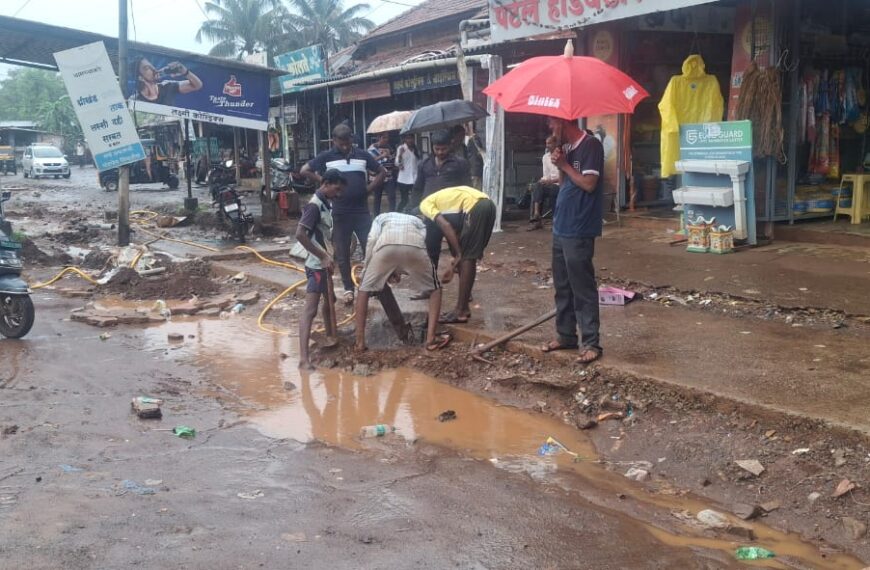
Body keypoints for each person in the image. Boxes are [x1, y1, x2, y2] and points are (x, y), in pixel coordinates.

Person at [540, 117, 605, 364]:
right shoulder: (566, 148)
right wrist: (557, 161)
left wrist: (565, 165)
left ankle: (591, 342)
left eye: (552, 124)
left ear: (563, 123)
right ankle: (566, 334)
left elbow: (589, 184)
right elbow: (566, 182)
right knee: (563, 285)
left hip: (579, 225)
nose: (550, 129)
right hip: (561, 224)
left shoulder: (591, 146)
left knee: (582, 287)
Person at [301, 124, 386, 306]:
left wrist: (368, 189)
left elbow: (382, 172)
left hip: (362, 211)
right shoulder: (327, 157)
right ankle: (348, 288)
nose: (346, 146)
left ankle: (372, 285)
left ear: (351, 139)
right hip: (339, 212)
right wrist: (325, 182)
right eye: (342, 143)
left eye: (348, 142)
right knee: (342, 252)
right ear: (335, 141)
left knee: (370, 249)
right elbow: (304, 170)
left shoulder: (363, 155)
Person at [354, 212, 449, 353]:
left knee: (363, 290)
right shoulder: (418, 221)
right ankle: (431, 340)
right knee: (435, 289)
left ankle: (359, 343)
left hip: (385, 247)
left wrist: (367, 267)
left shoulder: (381, 217)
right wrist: (403, 268)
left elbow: (372, 238)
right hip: (414, 247)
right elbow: (420, 241)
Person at [419, 185, 496, 324]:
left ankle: (461, 310)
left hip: (476, 206)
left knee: (467, 257)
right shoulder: (445, 204)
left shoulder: (424, 205)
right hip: (488, 204)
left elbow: (446, 227)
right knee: (468, 256)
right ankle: (465, 302)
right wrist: (455, 261)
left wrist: (459, 255)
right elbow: (455, 235)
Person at [295, 169, 346, 370]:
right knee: (310, 310)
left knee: (331, 300)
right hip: (317, 266)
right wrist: (323, 256)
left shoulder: (326, 203)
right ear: (326, 184)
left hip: (325, 265)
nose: (338, 193)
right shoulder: (314, 206)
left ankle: (330, 335)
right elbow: (300, 234)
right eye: (336, 188)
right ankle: (303, 359)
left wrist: (330, 256)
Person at [411, 129, 470, 209]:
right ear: (432, 147)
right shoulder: (424, 164)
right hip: (428, 209)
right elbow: (417, 189)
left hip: (451, 209)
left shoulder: (460, 163)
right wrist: (411, 208)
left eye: (443, 149)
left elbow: (467, 189)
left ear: (450, 146)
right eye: (437, 149)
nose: (440, 152)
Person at [133, 57, 202, 106]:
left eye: (151, 66)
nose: (153, 69)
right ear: (140, 77)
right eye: (147, 68)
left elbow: (197, 85)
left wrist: (185, 72)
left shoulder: (167, 85)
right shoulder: (136, 100)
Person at [528, 135, 561, 231]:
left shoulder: (561, 156)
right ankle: (536, 216)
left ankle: (556, 222)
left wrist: (551, 181)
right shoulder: (545, 157)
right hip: (549, 183)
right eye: (546, 143)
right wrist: (543, 180)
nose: (547, 145)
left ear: (555, 144)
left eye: (550, 143)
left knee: (554, 191)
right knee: (537, 186)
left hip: (559, 184)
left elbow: (564, 177)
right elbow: (546, 174)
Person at [367, 132, 395, 216]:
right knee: (377, 197)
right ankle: (376, 216)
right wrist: (382, 156)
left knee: (392, 196)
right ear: (379, 138)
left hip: (388, 176)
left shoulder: (389, 147)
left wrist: (389, 155)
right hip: (377, 177)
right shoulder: (372, 149)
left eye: (387, 138)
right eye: (384, 138)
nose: (386, 140)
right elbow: (370, 161)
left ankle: (392, 215)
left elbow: (393, 160)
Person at [394, 133, 419, 213]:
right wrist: (400, 154)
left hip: (414, 178)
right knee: (404, 200)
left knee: (415, 198)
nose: (410, 140)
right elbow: (397, 163)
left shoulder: (415, 149)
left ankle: (411, 214)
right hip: (403, 179)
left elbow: (417, 162)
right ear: (404, 139)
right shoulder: (401, 148)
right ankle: (397, 213)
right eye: (408, 138)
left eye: (411, 138)